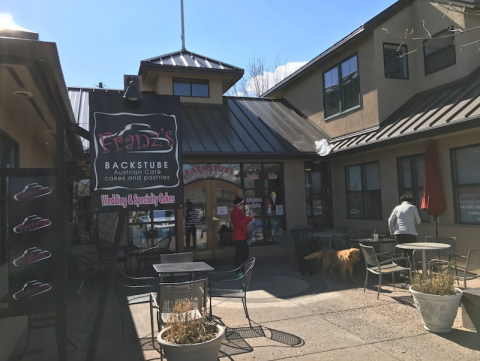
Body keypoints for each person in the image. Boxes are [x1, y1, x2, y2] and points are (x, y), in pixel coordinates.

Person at [388, 194, 421, 276]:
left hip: (399, 234)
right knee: (411, 253)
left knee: (403, 251)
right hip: (411, 233)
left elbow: (390, 221)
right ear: (412, 201)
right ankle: (411, 272)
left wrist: (392, 232)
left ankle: (402, 272)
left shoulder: (397, 208)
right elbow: (418, 221)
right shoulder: (413, 207)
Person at [230, 196, 255, 274]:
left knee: (245, 253)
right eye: (242, 205)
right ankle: (238, 271)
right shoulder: (234, 213)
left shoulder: (239, 212)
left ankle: (244, 269)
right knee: (239, 254)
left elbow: (244, 222)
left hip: (242, 235)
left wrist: (250, 218)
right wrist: (249, 217)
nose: (243, 206)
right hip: (238, 236)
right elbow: (240, 223)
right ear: (238, 205)